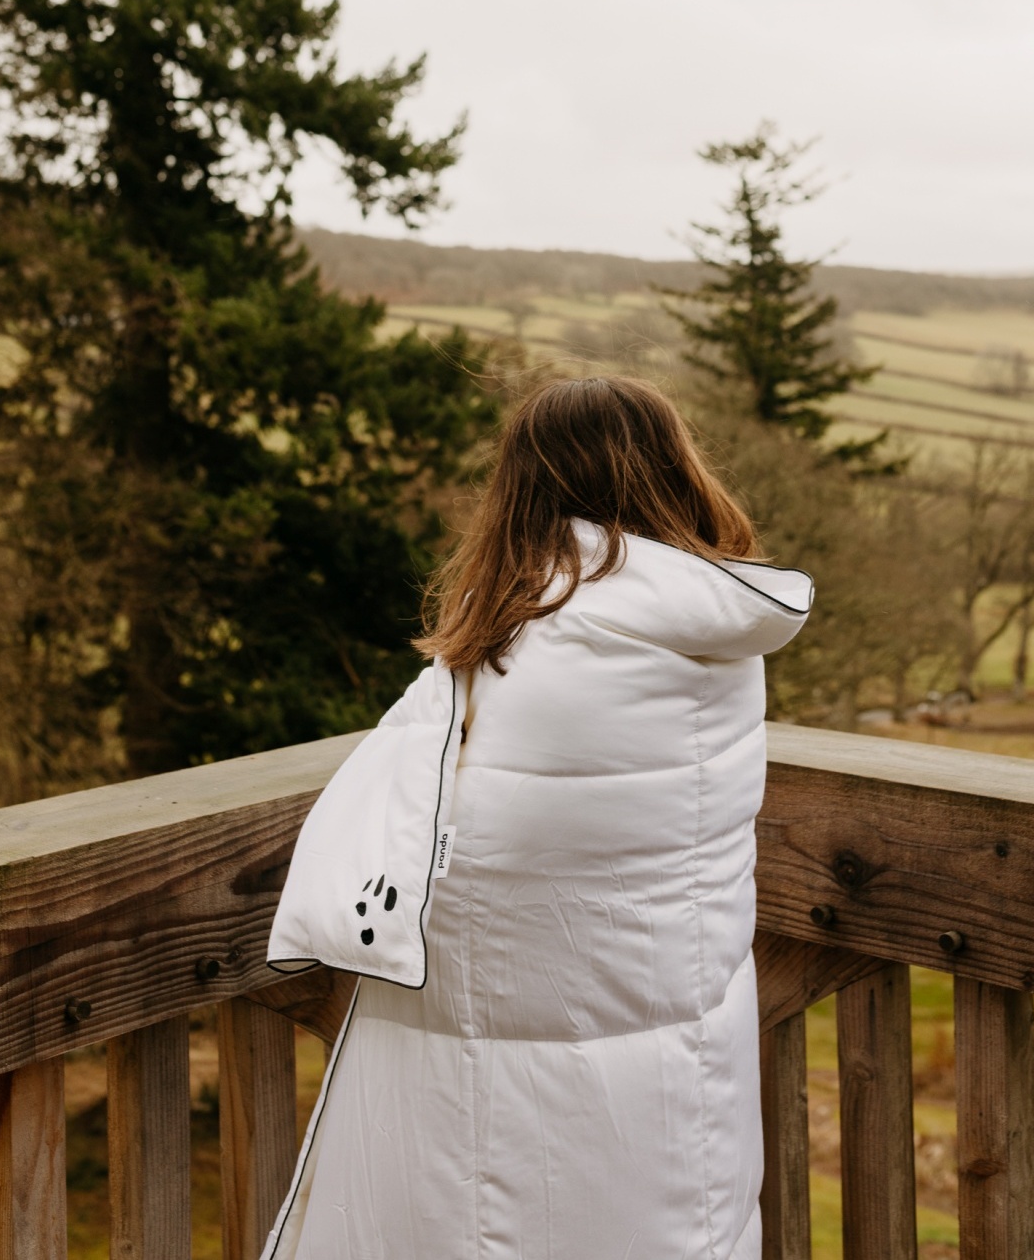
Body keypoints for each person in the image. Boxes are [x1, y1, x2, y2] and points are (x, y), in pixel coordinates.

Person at [261, 376, 813, 1260]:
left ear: (522, 489)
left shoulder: (538, 638)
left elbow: (465, 835)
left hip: (510, 1070)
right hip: (683, 1060)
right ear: (676, 471)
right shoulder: (714, 625)